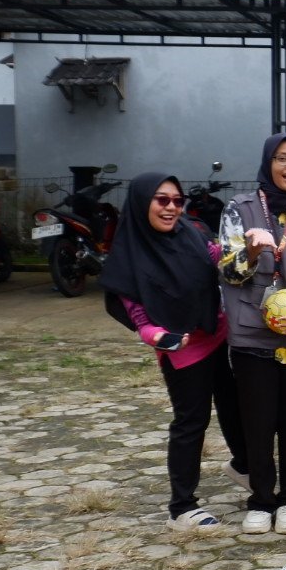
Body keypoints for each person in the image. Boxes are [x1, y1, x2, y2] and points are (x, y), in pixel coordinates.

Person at [101, 171, 244, 532]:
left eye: (177, 201)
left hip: (218, 333)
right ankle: (182, 506)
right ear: (140, 203)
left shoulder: (192, 235)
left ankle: (244, 467)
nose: (170, 208)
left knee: (235, 406)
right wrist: (157, 336)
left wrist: (250, 249)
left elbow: (220, 258)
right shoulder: (129, 254)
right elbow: (136, 312)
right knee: (191, 421)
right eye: (161, 200)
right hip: (182, 348)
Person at [218, 134, 286, 537]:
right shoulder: (239, 210)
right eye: (282, 159)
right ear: (268, 163)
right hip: (253, 337)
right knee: (259, 421)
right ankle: (262, 500)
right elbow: (227, 273)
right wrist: (249, 253)